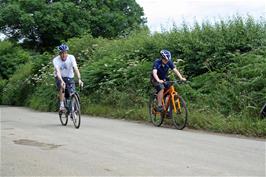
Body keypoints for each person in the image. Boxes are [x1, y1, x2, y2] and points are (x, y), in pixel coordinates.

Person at [52, 44, 83, 111]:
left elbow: (75, 68)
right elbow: (58, 71)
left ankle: (73, 109)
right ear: (59, 54)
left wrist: (79, 79)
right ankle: (62, 104)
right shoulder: (56, 60)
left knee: (72, 91)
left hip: (69, 76)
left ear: (67, 53)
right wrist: (62, 81)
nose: (63, 55)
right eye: (62, 53)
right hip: (60, 76)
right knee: (62, 86)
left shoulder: (71, 57)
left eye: (65, 53)